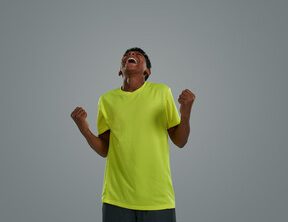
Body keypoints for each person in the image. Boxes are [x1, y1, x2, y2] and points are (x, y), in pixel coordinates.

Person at [71, 47, 195, 222]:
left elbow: (180, 141)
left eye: (138, 55)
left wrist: (186, 113)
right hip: (116, 198)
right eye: (127, 54)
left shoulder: (162, 92)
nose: (131, 55)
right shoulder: (106, 100)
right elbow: (105, 150)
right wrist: (84, 130)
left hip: (157, 199)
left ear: (147, 71)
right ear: (119, 70)